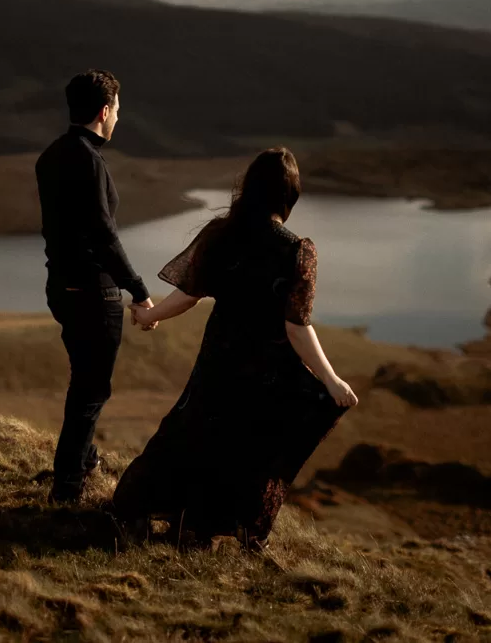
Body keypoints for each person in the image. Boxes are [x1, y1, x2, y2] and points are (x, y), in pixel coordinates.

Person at [113, 147, 358, 547]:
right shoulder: (298, 251)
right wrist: (330, 380)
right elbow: (296, 327)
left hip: (218, 357)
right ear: (288, 195)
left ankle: (165, 514)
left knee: (193, 431)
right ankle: (219, 527)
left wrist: (149, 315)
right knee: (248, 445)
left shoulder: (221, 234)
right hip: (267, 367)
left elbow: (189, 294)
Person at [36, 69, 156, 503]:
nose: (119, 119)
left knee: (83, 379)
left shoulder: (51, 155)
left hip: (61, 289)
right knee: (92, 389)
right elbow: (103, 235)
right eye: (118, 110)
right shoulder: (89, 160)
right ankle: (67, 487)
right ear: (105, 111)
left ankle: (83, 459)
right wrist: (139, 290)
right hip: (93, 293)